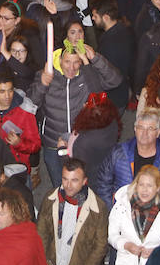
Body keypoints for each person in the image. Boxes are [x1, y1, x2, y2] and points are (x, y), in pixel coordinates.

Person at [29, 41, 123, 186]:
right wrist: (42, 84)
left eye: (76, 62)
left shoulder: (87, 75)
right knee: (59, 184)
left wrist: (95, 58)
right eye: (67, 62)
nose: (71, 68)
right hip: (53, 142)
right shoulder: (46, 75)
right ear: (60, 60)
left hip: (81, 144)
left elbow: (115, 81)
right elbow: (30, 105)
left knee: (80, 184)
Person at [94, 112, 160, 206]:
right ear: (135, 129)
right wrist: (113, 209)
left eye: (150, 129)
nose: (145, 133)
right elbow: (103, 183)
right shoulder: (118, 153)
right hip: (122, 215)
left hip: (157, 217)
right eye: (141, 128)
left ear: (158, 132)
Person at [36, 157, 109, 265]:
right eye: (65, 179)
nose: (68, 185)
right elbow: (41, 233)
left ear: (84, 181)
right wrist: (46, 264)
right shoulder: (50, 198)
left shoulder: (97, 208)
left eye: (74, 180)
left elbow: (100, 246)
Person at [108, 165, 160, 265]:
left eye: (149, 185)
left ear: (157, 187)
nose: (144, 190)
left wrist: (159, 251)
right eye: (141, 185)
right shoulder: (122, 205)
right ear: (136, 185)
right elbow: (112, 234)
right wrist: (125, 245)